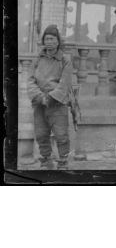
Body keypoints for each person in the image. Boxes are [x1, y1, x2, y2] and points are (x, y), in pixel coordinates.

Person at [28, 24, 73, 170]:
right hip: (40, 103)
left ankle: (63, 162)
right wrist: (40, 97)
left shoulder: (65, 60)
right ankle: (46, 161)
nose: (49, 42)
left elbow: (65, 82)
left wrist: (52, 97)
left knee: (61, 135)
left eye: (52, 39)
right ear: (43, 41)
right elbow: (30, 80)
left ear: (58, 41)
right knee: (41, 134)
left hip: (57, 103)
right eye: (47, 39)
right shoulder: (37, 58)